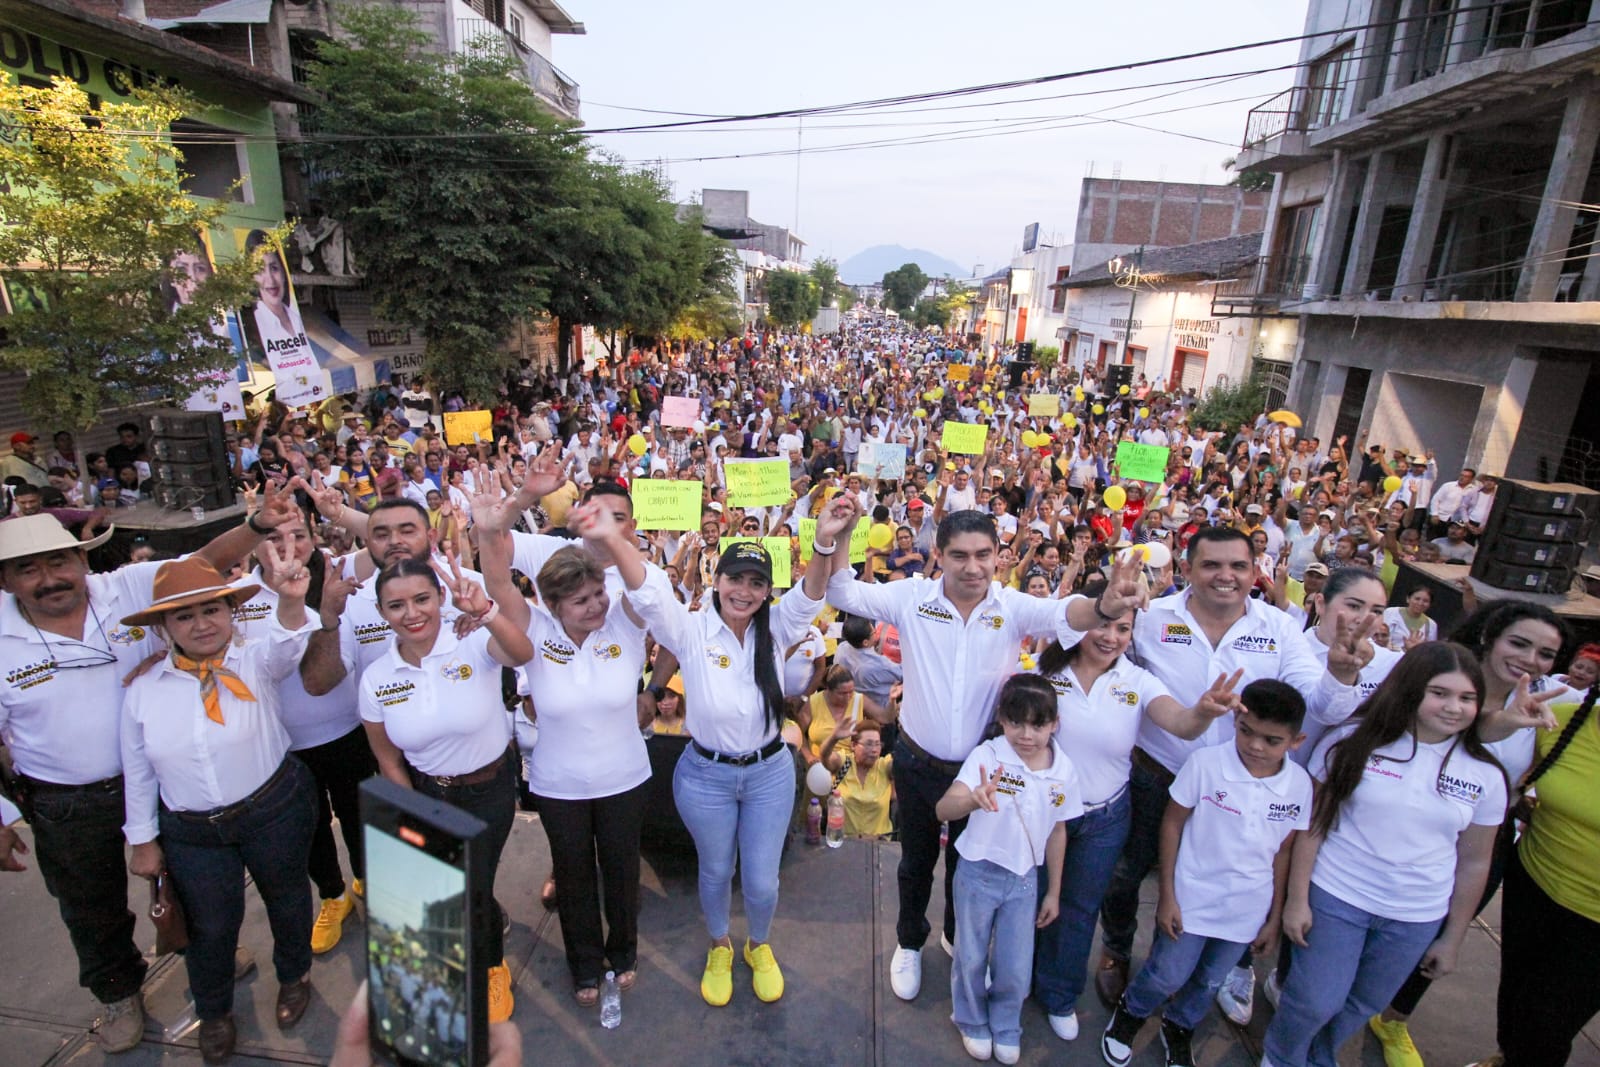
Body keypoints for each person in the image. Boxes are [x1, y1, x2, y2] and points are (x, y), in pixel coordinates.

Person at [0, 495, 299, 1053]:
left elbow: (205, 561)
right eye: (28, 569)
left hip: (165, 781)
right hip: (67, 801)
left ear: (82, 561)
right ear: (7, 580)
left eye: (59, 562)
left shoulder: (127, 587)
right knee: (91, 905)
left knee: (189, 888)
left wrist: (256, 524)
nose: (49, 579)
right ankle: (118, 994)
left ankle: (206, 955)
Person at [1080, 527, 1368, 1026]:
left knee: (1237, 878)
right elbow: (1105, 666)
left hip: (1242, 788)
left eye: (1238, 566)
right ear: (1187, 570)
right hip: (1158, 776)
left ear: (1256, 571)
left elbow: (1318, 705)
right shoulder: (1151, 619)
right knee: (1127, 875)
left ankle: (1222, 965)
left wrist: (1340, 676)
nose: (1226, 576)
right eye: (1212, 565)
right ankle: (1118, 950)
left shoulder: (1280, 628)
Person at [570, 492, 837, 1008]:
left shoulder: (778, 627)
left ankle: (759, 945)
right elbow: (648, 593)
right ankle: (720, 944)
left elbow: (812, 593)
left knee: (761, 879)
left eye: (757, 582)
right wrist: (609, 537)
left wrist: (823, 537)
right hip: (704, 777)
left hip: (768, 774)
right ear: (717, 580)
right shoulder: (689, 630)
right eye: (735, 579)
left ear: (766, 590)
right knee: (714, 871)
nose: (744, 591)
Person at [822, 501, 1083, 1016]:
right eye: (959, 555)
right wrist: (836, 539)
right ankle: (911, 942)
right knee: (917, 862)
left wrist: (1106, 603)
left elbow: (1064, 613)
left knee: (971, 864)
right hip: (918, 764)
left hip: (985, 772)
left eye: (983, 555)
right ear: (937, 555)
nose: (972, 567)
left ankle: (957, 939)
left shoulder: (1013, 607)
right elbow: (840, 592)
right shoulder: (911, 597)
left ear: (999, 557)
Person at [1262, 643, 1548, 1067]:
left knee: (1363, 1004)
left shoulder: (1485, 775)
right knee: (1314, 1000)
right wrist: (1297, 900)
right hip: (1338, 897)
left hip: (1416, 916)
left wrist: (1452, 937)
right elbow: (1313, 826)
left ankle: (1320, 1056)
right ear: (1410, 690)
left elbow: (1474, 862)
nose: (1454, 707)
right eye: (1440, 693)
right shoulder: (1349, 743)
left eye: (1467, 697)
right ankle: (1281, 1058)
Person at [1031, 552, 1247, 1041]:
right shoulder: (1045, 676)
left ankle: (1060, 994)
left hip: (1105, 819)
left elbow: (1179, 722)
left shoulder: (1139, 682)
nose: (1110, 637)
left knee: (1080, 908)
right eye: (1103, 625)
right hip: (1044, 817)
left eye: (1124, 630)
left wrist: (1205, 712)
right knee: (1032, 902)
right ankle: (1017, 977)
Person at [120, 546, 320, 1064]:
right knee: (210, 925)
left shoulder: (255, 657)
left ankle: (295, 975)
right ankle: (214, 1011)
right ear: (164, 627)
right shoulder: (143, 688)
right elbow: (139, 768)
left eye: (211, 609)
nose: (201, 623)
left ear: (231, 612)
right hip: (192, 831)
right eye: (184, 615)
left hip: (272, 809)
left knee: (288, 897)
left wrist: (292, 602)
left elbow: (288, 643)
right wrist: (142, 839)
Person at [356, 532, 534, 1025]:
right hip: (429, 793)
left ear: (439, 598)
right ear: (381, 611)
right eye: (396, 605)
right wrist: (414, 814)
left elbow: (522, 654)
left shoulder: (472, 638)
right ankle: (483, 935)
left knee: (470, 886)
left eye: (422, 599)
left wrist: (487, 611)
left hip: (491, 789)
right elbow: (387, 759)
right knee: (454, 888)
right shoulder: (376, 679)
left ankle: (491, 966)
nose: (411, 613)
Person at [1101, 680, 1310, 1067]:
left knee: (1211, 979)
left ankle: (1179, 1025)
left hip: (1247, 906)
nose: (1256, 746)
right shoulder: (1207, 764)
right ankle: (1132, 1011)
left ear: (1295, 741)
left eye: (1272, 740)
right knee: (1167, 973)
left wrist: (1274, 916)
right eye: (1246, 731)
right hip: (1192, 895)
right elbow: (1173, 824)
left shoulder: (1298, 785)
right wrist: (1167, 895)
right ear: (1234, 719)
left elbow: (1283, 852)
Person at [228, 510, 369, 956]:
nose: (289, 545)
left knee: (361, 819)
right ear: (253, 545)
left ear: (314, 539)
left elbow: (320, 680)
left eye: (299, 535)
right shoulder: (236, 598)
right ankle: (332, 896)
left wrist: (324, 612)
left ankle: (369, 883)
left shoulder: (337, 576)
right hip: (282, 747)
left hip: (348, 732)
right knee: (307, 832)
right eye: (273, 537)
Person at [521, 541, 652, 1006]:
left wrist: (615, 536)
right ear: (552, 604)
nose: (596, 605)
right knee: (573, 878)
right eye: (581, 600)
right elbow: (495, 578)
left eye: (599, 592)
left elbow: (648, 584)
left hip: (625, 780)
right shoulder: (533, 631)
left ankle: (624, 953)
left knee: (621, 872)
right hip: (559, 786)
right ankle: (584, 964)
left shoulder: (625, 623)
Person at [936, 674, 1082, 1064]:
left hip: (1023, 881)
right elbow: (943, 808)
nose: (1026, 734)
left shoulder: (1064, 770)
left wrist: (1052, 891)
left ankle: (1005, 1023)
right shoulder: (987, 756)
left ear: (1055, 724)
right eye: (1016, 722)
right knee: (970, 955)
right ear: (1002, 719)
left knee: (1016, 965)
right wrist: (971, 799)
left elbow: (1058, 831)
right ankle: (970, 1019)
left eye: (1037, 724)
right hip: (978, 873)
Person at [1480, 678, 1600, 1065]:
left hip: (1595, 921)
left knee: (1546, 1026)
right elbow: (1479, 750)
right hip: (1533, 882)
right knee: (1514, 996)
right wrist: (1503, 721)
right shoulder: (1562, 721)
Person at [798, 665, 892, 767]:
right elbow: (799, 732)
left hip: (852, 767)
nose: (848, 697)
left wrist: (893, 700)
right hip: (820, 766)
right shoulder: (813, 702)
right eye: (842, 693)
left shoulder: (858, 700)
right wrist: (808, 756)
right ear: (828, 690)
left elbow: (885, 718)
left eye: (851, 692)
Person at [823, 719, 894, 838]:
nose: (874, 750)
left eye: (877, 744)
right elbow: (824, 757)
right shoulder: (843, 763)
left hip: (879, 845)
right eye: (869, 744)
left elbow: (902, 764)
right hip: (843, 842)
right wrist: (833, 738)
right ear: (853, 746)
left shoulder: (884, 766)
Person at [1383, 587, 1438, 651]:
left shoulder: (1431, 625)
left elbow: (1430, 651)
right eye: (1417, 599)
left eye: (1425, 601)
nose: (1420, 603)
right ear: (1408, 599)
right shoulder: (1391, 612)